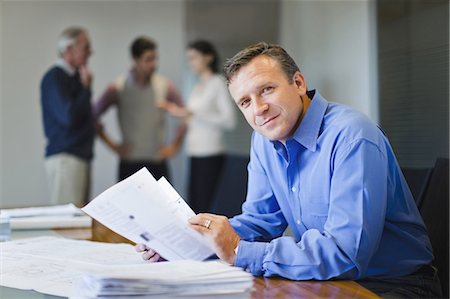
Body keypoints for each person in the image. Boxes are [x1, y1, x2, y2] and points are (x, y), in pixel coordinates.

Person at [135, 42, 442, 298]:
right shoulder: (264, 139)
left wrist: (241, 251)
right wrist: (187, 243)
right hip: (329, 280)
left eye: (266, 90)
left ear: (298, 83)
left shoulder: (351, 136)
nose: (258, 109)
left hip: (394, 286)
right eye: (245, 102)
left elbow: (346, 254)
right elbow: (260, 221)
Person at [93, 36, 185, 182]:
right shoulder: (118, 87)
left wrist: (174, 146)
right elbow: (93, 116)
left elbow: (185, 114)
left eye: (155, 58)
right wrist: (113, 146)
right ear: (135, 59)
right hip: (129, 164)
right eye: (148, 59)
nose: (154, 64)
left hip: (157, 163)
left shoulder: (165, 85)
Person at [159, 40, 236, 213]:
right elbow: (191, 116)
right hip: (194, 152)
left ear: (208, 57)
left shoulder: (217, 83)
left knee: (206, 208)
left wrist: (192, 113)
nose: (190, 62)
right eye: (188, 58)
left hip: (211, 154)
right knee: (195, 206)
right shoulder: (197, 86)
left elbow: (229, 121)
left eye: (193, 58)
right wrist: (178, 113)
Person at [40, 26, 94, 206]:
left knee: (78, 220)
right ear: (69, 49)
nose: (90, 52)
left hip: (77, 157)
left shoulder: (72, 78)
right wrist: (86, 89)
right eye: (86, 47)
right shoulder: (55, 77)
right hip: (66, 159)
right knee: (67, 221)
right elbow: (68, 117)